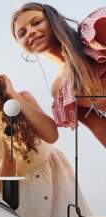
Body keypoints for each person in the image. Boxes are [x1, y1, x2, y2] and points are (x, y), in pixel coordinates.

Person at [0, 58, 92, 217]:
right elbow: (1, 188)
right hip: (27, 195)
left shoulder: (22, 98)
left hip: (57, 176)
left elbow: (51, 135)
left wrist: (12, 94)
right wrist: (9, 144)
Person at [11, 3, 106, 147]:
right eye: (22, 33)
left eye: (36, 22)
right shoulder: (60, 90)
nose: (30, 32)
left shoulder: (93, 34)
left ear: (53, 20)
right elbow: (99, 127)